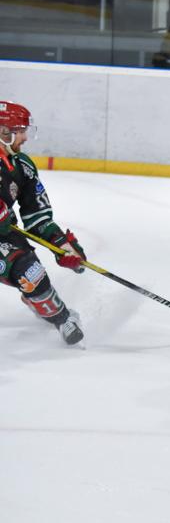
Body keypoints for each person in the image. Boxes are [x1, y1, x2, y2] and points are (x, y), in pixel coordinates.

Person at [0, 101, 86, 345]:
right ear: (3, 132)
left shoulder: (22, 166)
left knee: (31, 272)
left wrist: (62, 245)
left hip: (4, 235)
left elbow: (37, 216)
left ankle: (61, 318)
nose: (25, 137)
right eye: (20, 130)